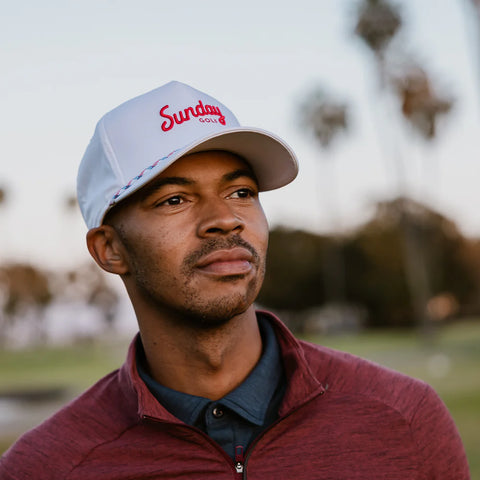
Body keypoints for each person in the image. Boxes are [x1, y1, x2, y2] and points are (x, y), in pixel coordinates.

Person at [0, 81, 470, 479]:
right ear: (110, 249)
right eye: (175, 201)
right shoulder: (47, 467)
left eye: (241, 192)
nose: (225, 219)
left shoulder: (404, 418)